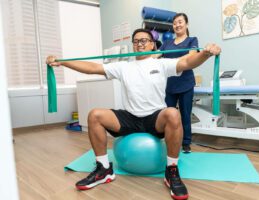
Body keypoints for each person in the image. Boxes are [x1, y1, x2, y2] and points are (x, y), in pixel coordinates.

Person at [46, 28, 221, 200]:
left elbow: (187, 62)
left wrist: (206, 53)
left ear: (153, 45)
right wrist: (63, 62)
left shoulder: (161, 63)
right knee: (94, 115)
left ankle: (171, 171)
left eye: (144, 40)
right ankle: (104, 169)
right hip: (129, 117)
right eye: (136, 41)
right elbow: (93, 67)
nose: (139, 44)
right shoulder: (123, 66)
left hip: (155, 118)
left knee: (173, 113)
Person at [160, 13, 199, 153]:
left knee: (185, 114)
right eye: (175, 23)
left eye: (180, 22)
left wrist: (172, 62)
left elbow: (192, 55)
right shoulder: (166, 44)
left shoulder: (192, 40)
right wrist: (140, 59)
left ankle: (186, 142)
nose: (177, 25)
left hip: (186, 83)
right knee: (167, 115)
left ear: (186, 24)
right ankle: (168, 140)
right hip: (170, 85)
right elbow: (155, 56)